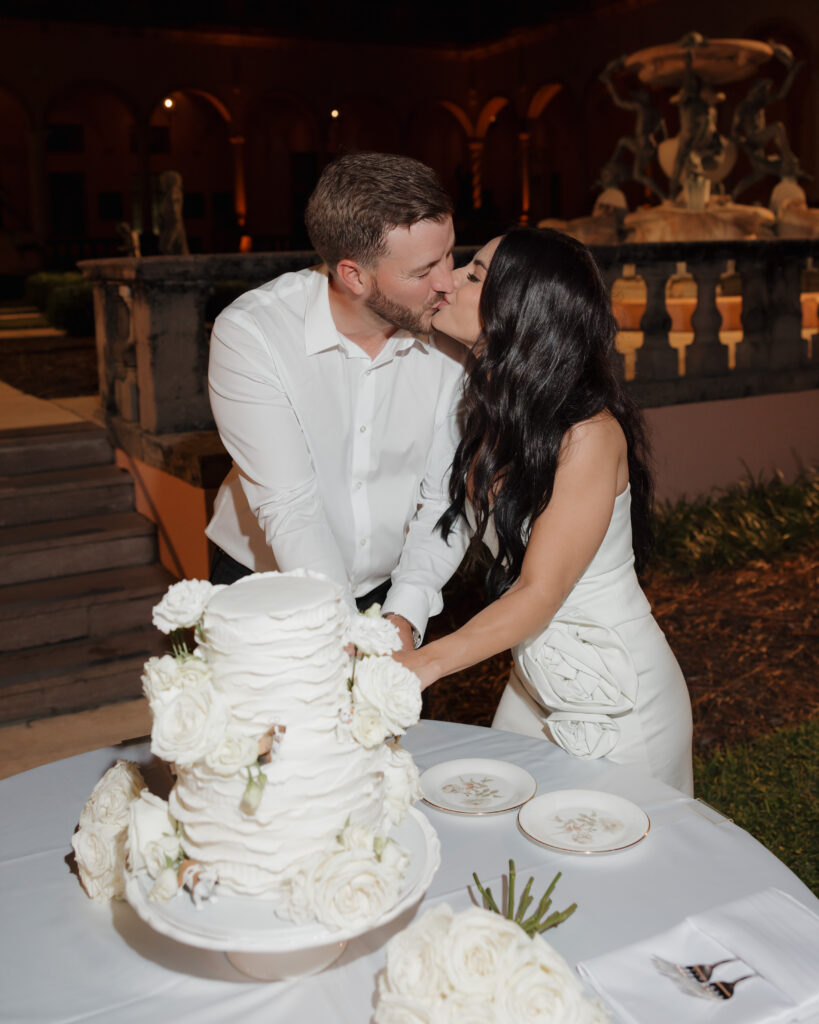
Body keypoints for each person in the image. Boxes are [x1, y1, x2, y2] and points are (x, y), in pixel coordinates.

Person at [397, 226, 694, 793]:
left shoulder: (588, 436)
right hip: (531, 684)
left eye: (474, 274)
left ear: (520, 308)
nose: (450, 280)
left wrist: (423, 664)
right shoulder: (489, 408)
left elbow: (539, 592)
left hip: (617, 696)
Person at [205, 153, 469, 650]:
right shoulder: (253, 333)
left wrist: (405, 616)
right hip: (266, 582)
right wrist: (346, 639)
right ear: (353, 276)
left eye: (450, 254)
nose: (446, 283)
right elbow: (291, 508)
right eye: (423, 270)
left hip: (398, 586)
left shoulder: (450, 331)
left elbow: (444, 499)